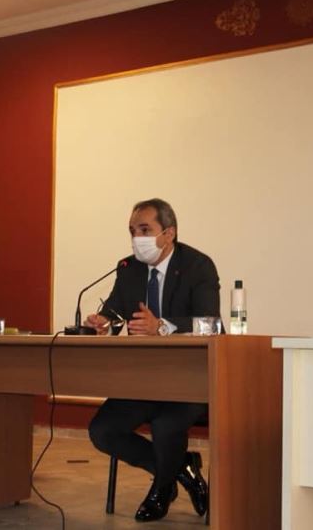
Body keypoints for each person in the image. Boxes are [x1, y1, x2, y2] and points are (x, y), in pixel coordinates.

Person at [85, 198, 219, 522]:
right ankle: (180, 469)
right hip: (145, 378)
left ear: (168, 233)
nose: (137, 238)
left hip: (191, 380)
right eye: (132, 231)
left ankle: (162, 488)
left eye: (145, 230)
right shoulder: (128, 268)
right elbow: (116, 311)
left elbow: (211, 323)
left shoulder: (198, 265)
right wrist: (103, 323)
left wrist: (161, 326)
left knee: (166, 424)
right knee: (102, 430)